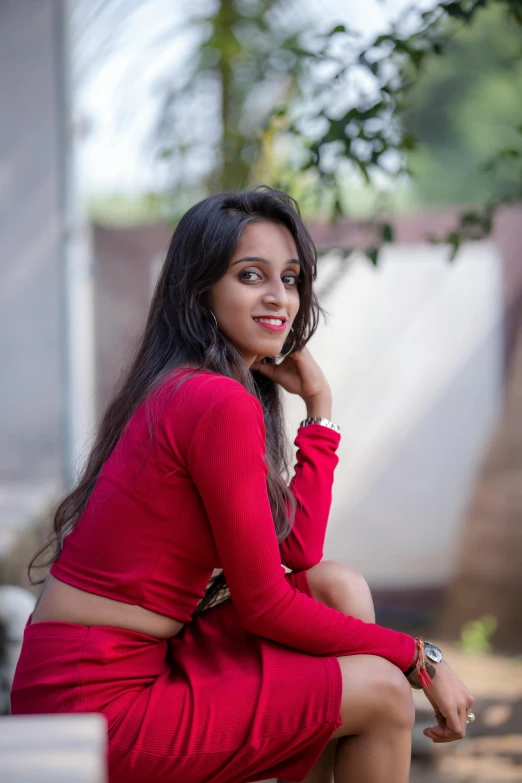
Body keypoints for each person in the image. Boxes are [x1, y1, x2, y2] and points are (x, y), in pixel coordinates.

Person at [11, 186, 474, 783]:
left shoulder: (192, 388)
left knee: (334, 586)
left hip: (119, 670)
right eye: (251, 275)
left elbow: (297, 552)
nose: (279, 297)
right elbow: (263, 607)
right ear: (200, 288)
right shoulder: (212, 399)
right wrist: (418, 657)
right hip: (94, 706)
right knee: (384, 692)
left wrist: (319, 409)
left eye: (291, 277)